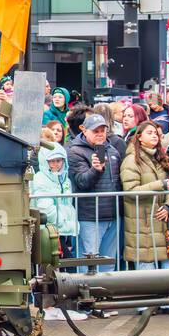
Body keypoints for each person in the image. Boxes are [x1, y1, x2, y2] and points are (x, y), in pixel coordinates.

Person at [121, 121, 169, 313]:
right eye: (149, 133)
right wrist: (161, 185)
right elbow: (130, 190)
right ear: (139, 136)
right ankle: (146, 303)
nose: (155, 136)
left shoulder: (161, 158)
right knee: (146, 261)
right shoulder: (132, 160)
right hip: (143, 220)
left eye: (156, 133)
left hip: (164, 218)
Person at [30, 144, 82, 320]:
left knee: (61, 268)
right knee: (56, 268)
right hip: (50, 230)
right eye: (52, 161)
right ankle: (51, 306)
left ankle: (59, 306)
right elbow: (46, 207)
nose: (56, 165)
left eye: (59, 160)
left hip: (64, 229)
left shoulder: (65, 179)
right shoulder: (40, 180)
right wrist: (61, 223)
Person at [68, 113, 123, 273]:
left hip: (112, 215)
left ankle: (107, 296)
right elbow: (81, 182)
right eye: (95, 131)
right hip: (90, 217)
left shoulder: (112, 150)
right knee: (88, 266)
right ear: (84, 131)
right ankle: (84, 297)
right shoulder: (75, 152)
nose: (100, 134)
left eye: (102, 130)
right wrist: (95, 170)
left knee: (108, 264)